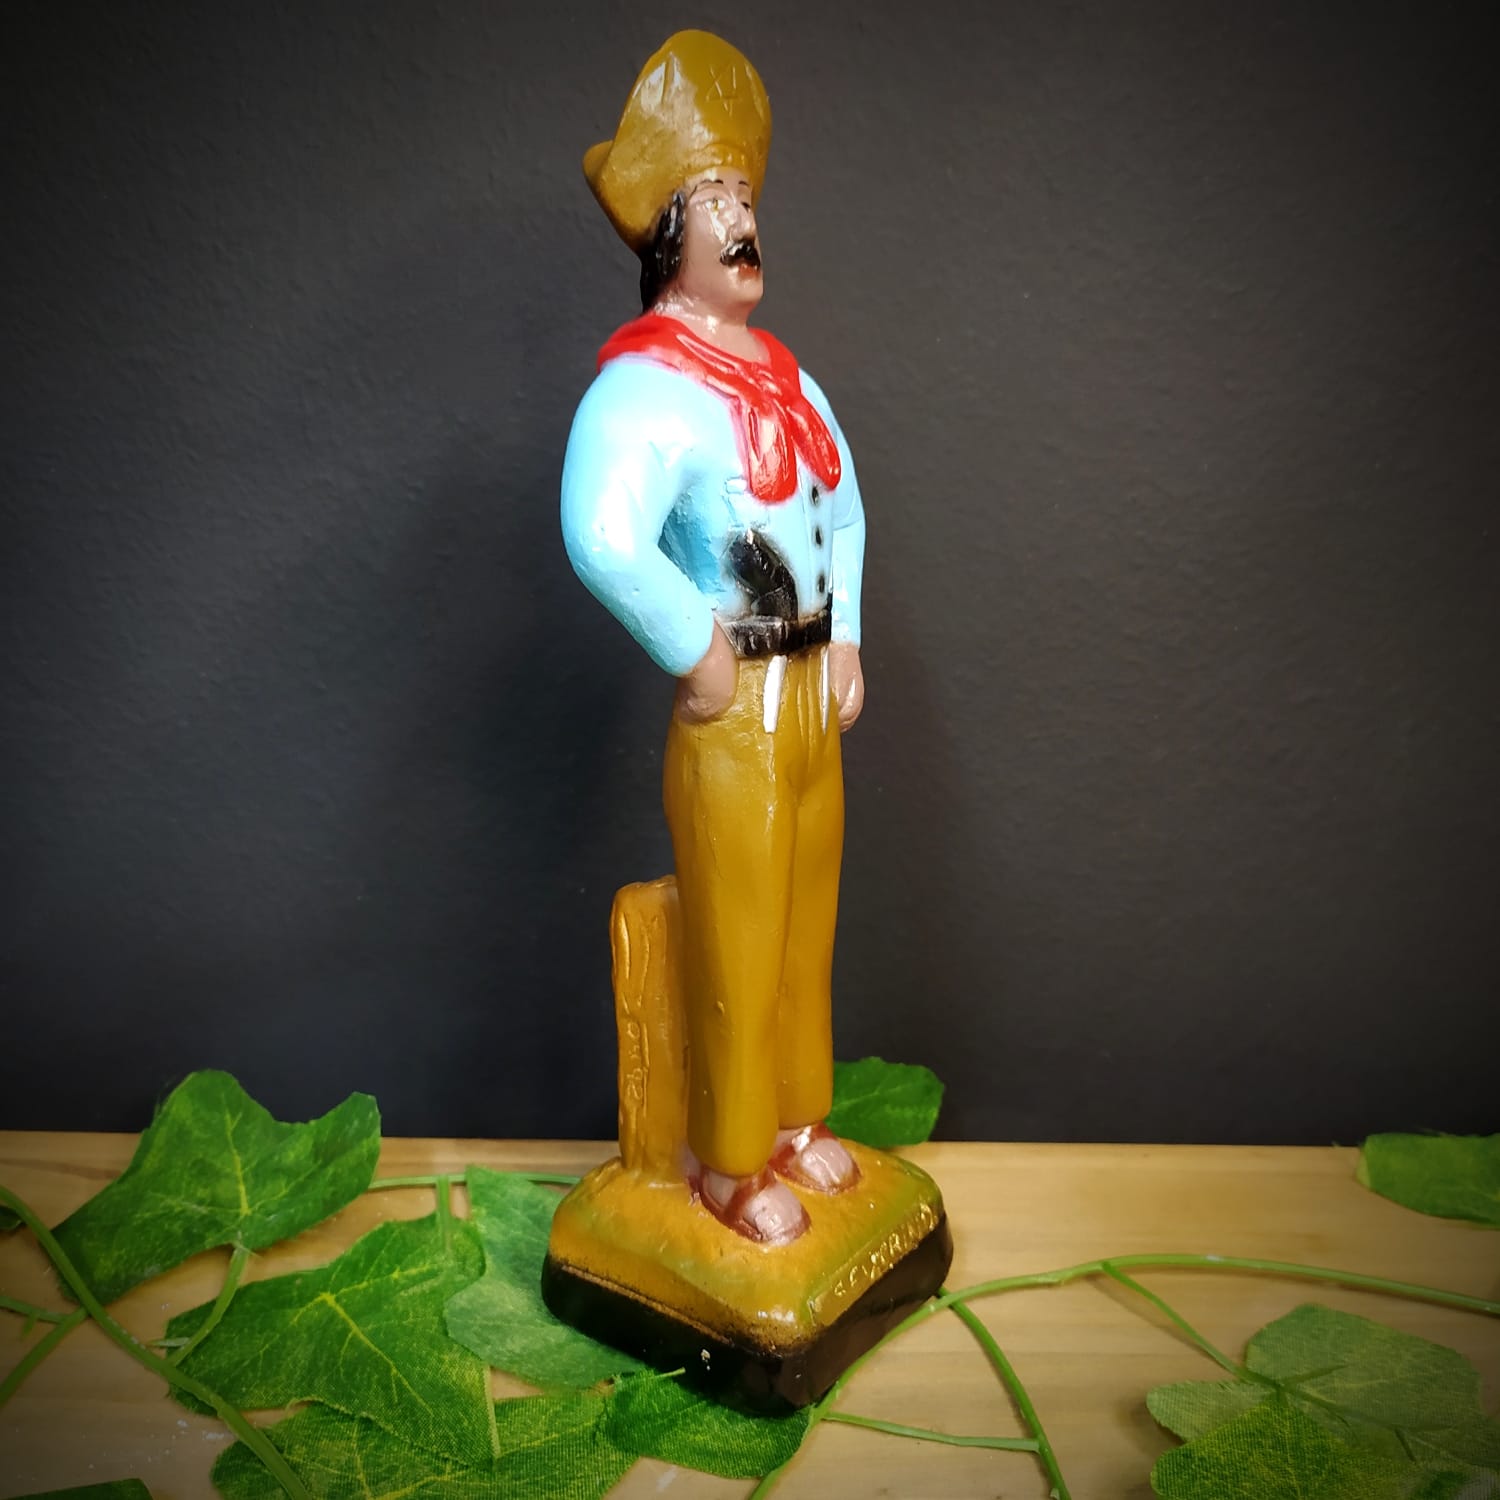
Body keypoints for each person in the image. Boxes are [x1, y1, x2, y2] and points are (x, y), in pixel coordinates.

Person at [561, 31, 866, 1246]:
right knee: (737, 935)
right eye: (717, 199)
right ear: (666, 238)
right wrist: (694, 650)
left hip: (812, 693)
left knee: (805, 921)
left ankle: (793, 1120)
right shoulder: (643, 390)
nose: (744, 219)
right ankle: (731, 1166)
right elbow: (601, 533)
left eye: (747, 194)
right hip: (737, 703)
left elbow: (845, 511)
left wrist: (847, 637)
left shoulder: (790, 379)